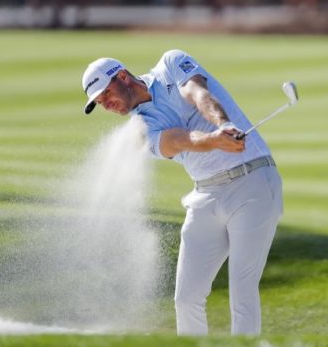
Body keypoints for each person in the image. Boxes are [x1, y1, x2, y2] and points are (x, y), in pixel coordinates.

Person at [81, 50, 283, 335]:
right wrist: (214, 140)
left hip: (253, 182)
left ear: (123, 77)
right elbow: (178, 141)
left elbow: (197, 93)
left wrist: (222, 125)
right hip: (206, 194)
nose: (106, 105)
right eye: (100, 103)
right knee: (186, 298)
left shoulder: (170, 64)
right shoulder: (140, 128)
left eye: (106, 95)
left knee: (242, 287)